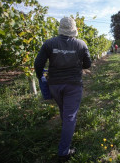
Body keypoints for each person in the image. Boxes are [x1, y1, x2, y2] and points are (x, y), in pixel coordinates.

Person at [34, 17, 91, 162]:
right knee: (70, 116)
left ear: (60, 29)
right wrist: (76, 63)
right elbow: (87, 64)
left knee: (64, 110)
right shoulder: (81, 44)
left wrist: (41, 77)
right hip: (73, 84)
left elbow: (38, 63)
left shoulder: (49, 43)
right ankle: (63, 152)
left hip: (54, 84)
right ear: (74, 30)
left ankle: (66, 129)